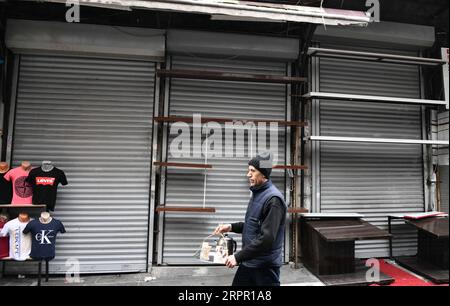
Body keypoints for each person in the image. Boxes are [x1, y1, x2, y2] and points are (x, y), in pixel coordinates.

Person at [214, 151, 287, 286]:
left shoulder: (273, 200)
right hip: (250, 262)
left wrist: (237, 257)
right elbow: (252, 226)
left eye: (252, 171)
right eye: (249, 170)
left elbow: (266, 239)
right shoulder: (258, 193)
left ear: (263, 174)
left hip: (264, 267)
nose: (248, 175)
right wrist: (230, 227)